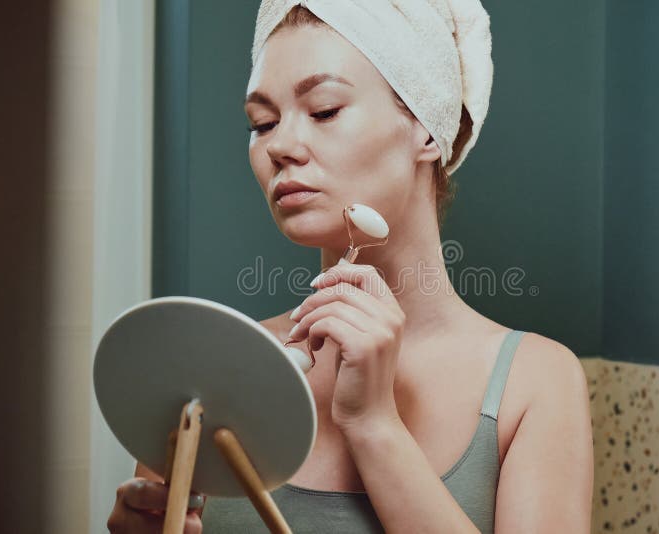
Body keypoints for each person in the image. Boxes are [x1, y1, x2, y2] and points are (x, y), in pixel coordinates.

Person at [107, 1, 594, 532]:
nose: (281, 146)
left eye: (323, 110)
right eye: (262, 122)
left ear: (429, 129)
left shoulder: (535, 383)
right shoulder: (205, 372)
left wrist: (374, 425)